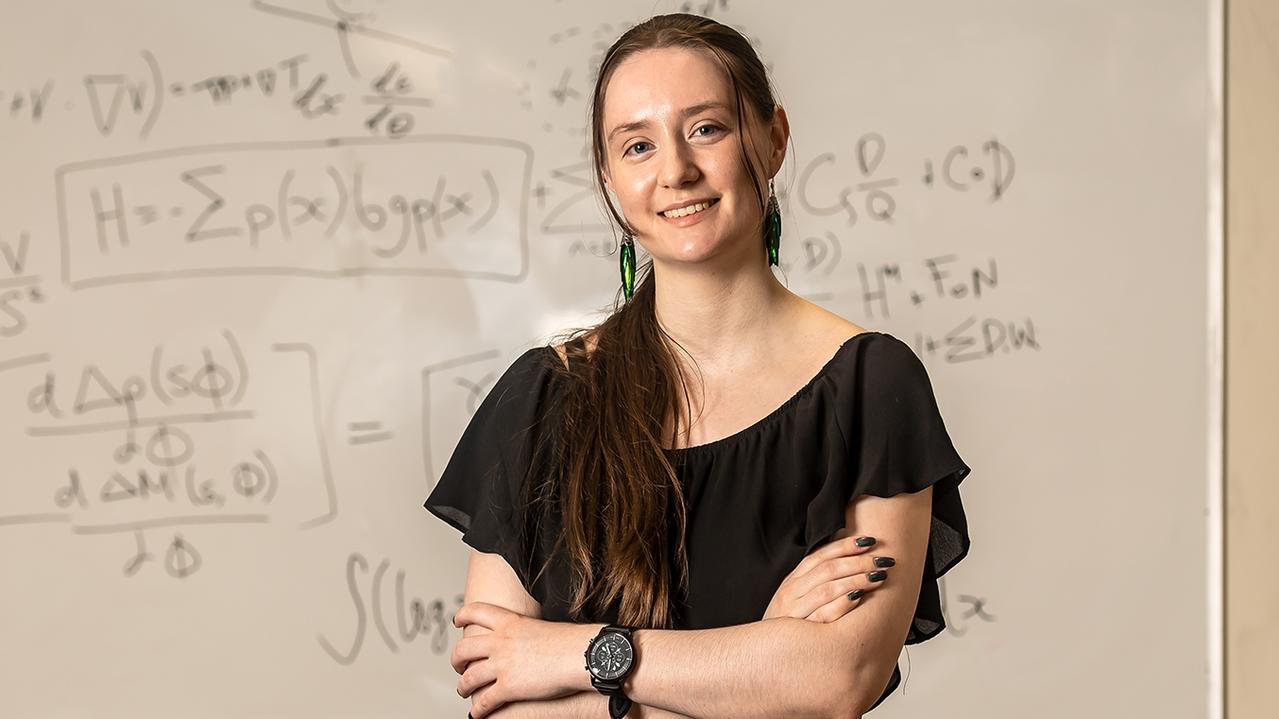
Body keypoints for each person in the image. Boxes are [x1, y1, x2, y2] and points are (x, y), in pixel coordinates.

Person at [424, 13, 971, 719]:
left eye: (706, 128)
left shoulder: (869, 387)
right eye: (637, 145)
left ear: (772, 139)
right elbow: (497, 699)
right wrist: (762, 655)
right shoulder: (542, 398)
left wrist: (574, 659)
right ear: (609, 178)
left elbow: (836, 679)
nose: (675, 170)